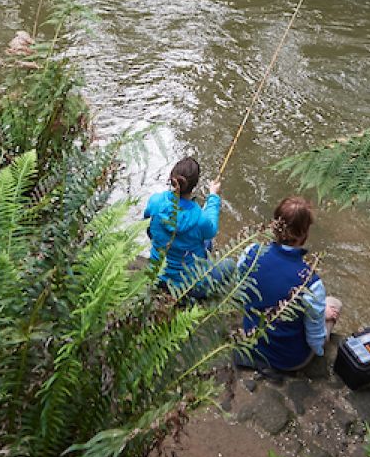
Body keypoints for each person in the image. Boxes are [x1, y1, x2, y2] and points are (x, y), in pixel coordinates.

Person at [237, 196, 341, 374]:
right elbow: (315, 341)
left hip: (250, 344)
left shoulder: (250, 253)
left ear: (274, 225)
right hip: (287, 360)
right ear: (304, 234)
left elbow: (241, 292)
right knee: (334, 303)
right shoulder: (310, 281)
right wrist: (323, 319)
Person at [142, 157, 222, 295]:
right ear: (195, 185)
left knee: (205, 241)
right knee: (228, 264)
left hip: (157, 275)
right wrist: (213, 196)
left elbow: (146, 221)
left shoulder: (155, 201)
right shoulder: (200, 218)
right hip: (187, 286)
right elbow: (212, 229)